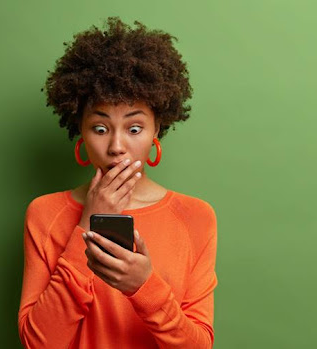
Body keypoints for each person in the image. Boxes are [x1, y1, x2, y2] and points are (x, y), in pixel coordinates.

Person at [18, 17, 218, 348]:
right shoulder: (45, 213)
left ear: (157, 130)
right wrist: (86, 224)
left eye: (134, 128)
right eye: (100, 128)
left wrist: (144, 286)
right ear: (80, 131)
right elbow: (39, 344)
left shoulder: (196, 217)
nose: (116, 146)